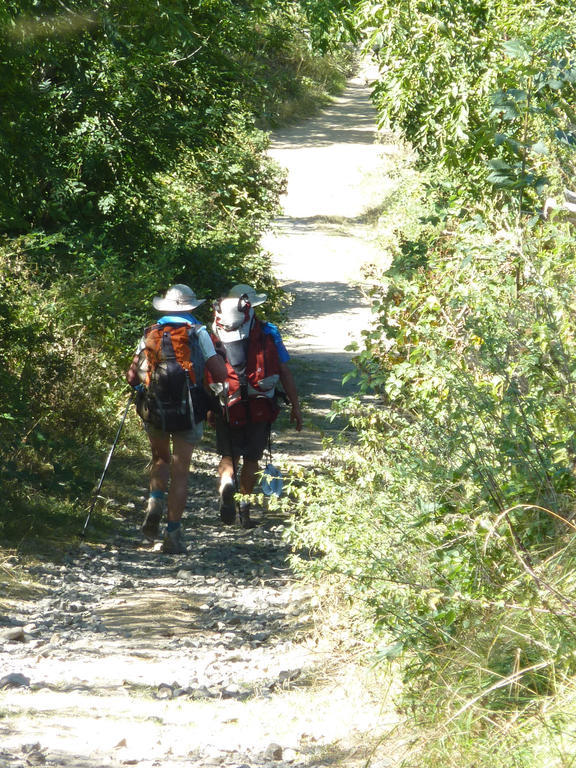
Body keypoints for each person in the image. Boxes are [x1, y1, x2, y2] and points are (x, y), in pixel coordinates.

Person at [126, 284, 227, 554]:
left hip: (155, 408)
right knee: (180, 472)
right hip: (189, 409)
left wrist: (140, 393)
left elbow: (132, 376)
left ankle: (154, 506)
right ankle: (173, 535)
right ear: (191, 307)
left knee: (160, 460)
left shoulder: (150, 332)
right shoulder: (198, 332)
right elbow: (218, 370)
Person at [207, 283, 302, 528]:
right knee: (252, 458)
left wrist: (209, 406)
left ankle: (227, 482)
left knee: (229, 454)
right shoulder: (269, 331)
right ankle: (245, 510)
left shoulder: (215, 331)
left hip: (227, 402)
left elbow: (207, 370)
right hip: (261, 403)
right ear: (252, 306)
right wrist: (295, 406)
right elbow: (283, 370)